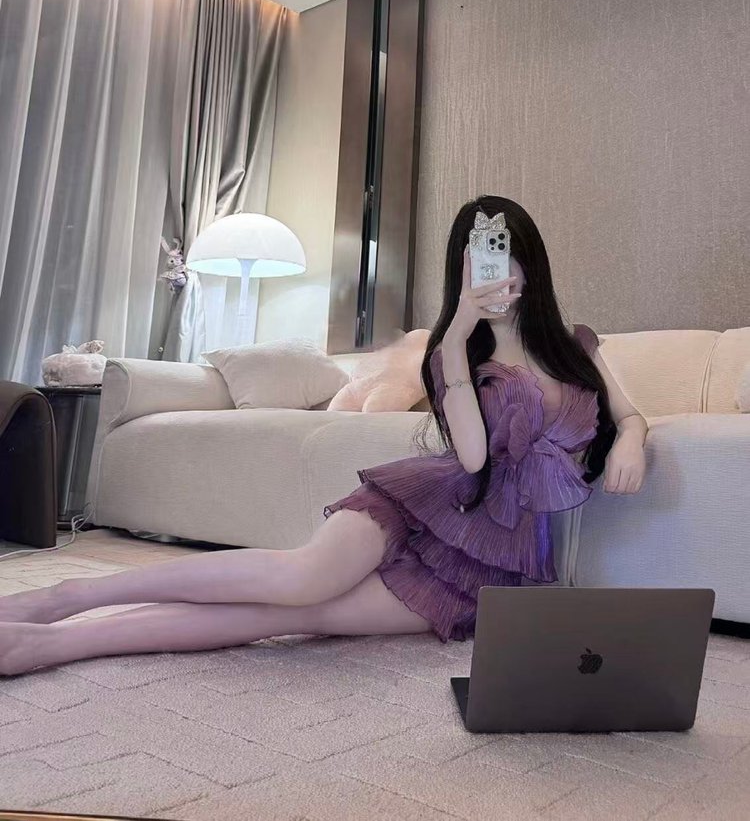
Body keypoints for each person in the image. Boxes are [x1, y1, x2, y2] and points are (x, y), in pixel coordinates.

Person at [0, 195, 647, 676]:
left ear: (531, 262)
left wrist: (629, 440)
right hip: (432, 500)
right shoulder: (458, 357)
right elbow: (475, 458)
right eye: (479, 259)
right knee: (301, 578)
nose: (496, 272)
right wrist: (455, 335)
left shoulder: (576, 347)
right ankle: (69, 596)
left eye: (505, 254)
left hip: (496, 557)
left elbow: (629, 413)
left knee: (301, 616)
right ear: (462, 270)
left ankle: (55, 643)